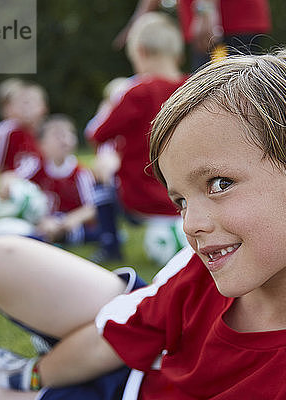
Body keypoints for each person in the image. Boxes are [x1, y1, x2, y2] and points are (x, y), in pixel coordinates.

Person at [0, 47, 286, 399]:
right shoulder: (211, 262)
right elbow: (113, 340)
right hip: (132, 369)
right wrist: (30, 376)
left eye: (218, 183)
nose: (192, 224)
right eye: (179, 199)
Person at [86, 12, 189, 265]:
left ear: (140, 52)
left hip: (141, 196)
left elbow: (96, 134)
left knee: (98, 177)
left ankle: (110, 245)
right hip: (187, 195)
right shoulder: (193, 87)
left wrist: (109, 104)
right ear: (177, 53)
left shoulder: (137, 92)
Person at [31, 115, 122, 259]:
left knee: (74, 233)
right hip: (43, 220)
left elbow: (91, 208)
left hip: (72, 223)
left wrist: (65, 222)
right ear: (42, 144)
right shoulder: (35, 168)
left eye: (68, 134)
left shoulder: (80, 173)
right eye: (56, 135)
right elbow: (19, 186)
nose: (64, 139)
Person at [115, 0, 272, 71]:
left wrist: (205, 9)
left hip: (228, 22)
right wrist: (138, 22)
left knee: (228, 96)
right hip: (214, 25)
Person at [0, 81, 48, 180]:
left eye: (30, 103)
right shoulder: (11, 132)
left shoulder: (47, 132)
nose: (26, 109)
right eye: (23, 104)